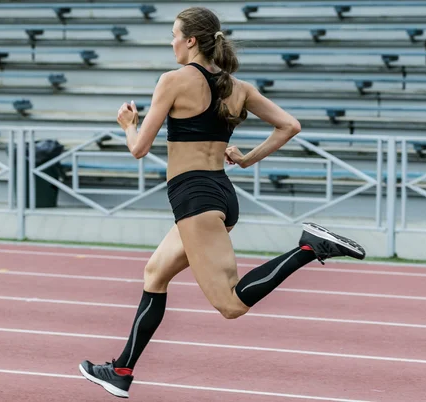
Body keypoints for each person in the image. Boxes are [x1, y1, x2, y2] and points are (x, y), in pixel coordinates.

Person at [79, 6, 366, 398]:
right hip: (220, 193)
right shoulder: (238, 87)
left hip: (194, 198)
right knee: (154, 274)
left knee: (231, 305)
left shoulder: (173, 80)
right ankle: (122, 370)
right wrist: (247, 159)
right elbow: (290, 126)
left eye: (175, 35)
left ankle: (308, 247)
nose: (172, 42)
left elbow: (139, 148)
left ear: (191, 40)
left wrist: (128, 125)